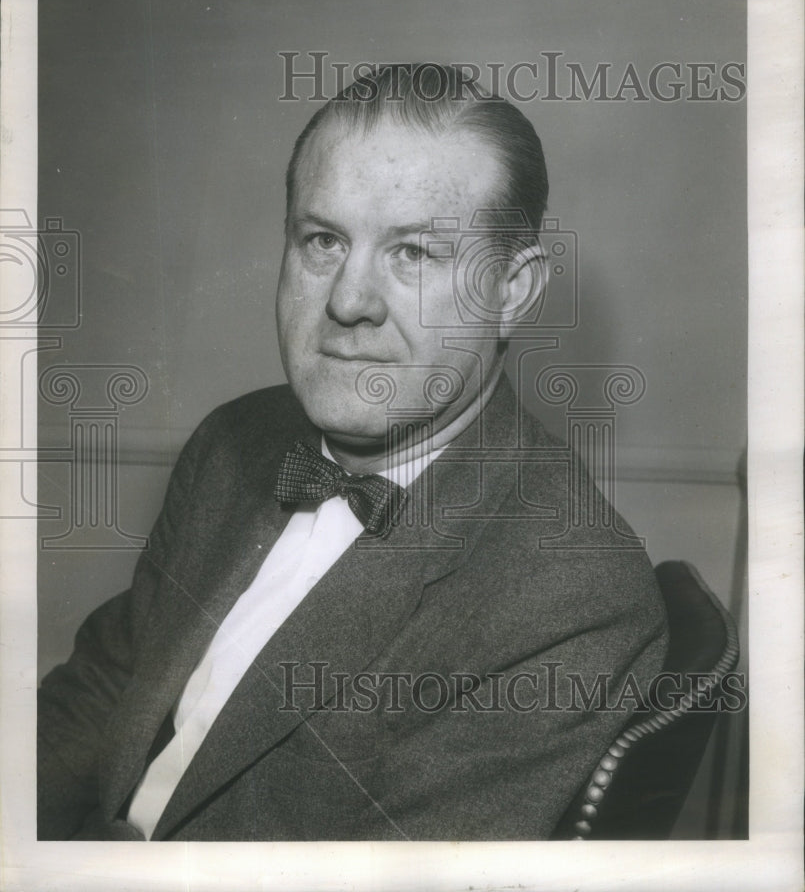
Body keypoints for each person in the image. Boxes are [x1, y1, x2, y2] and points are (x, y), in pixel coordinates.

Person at [37, 64, 668, 841]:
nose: (346, 300)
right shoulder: (234, 440)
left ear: (512, 291)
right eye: (322, 240)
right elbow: (99, 695)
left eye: (412, 254)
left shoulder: (572, 594)